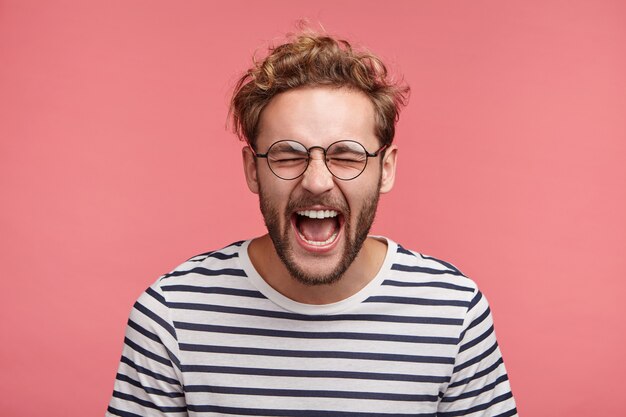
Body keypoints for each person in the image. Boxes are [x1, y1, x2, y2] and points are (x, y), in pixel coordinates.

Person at [106, 31, 517, 417]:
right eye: (287, 155)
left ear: (385, 169)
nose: (317, 181)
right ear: (253, 170)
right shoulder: (172, 315)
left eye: (346, 155)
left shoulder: (454, 312)